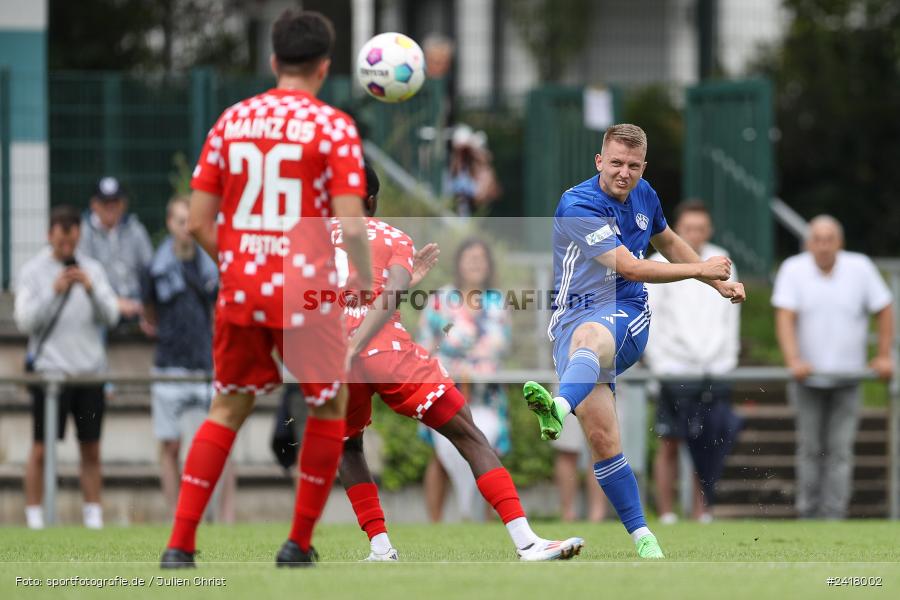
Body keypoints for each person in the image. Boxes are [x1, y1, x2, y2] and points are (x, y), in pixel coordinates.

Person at [160, 9, 372, 568]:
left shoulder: (231, 121)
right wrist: (365, 279)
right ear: (324, 67)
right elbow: (352, 227)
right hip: (307, 293)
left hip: (241, 289)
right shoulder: (333, 127)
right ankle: (297, 544)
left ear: (274, 60)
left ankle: (180, 546)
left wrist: (239, 264)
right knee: (327, 407)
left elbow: (199, 222)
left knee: (227, 407)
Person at [334, 166, 583, 561]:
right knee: (469, 436)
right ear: (372, 200)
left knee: (348, 446)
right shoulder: (393, 237)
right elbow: (389, 293)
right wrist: (364, 336)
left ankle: (380, 548)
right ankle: (526, 542)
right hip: (385, 352)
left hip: (334, 357)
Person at [522, 123, 746, 559]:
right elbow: (629, 265)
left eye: (633, 165)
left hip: (627, 312)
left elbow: (668, 241)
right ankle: (645, 539)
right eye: (616, 163)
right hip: (571, 319)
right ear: (599, 161)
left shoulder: (645, 195)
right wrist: (702, 270)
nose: (624, 173)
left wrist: (715, 283)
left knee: (590, 336)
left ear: (644, 167)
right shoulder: (577, 204)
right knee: (603, 439)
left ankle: (559, 406)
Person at [772, 215, 894, 519]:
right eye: (818, 239)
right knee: (809, 449)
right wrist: (793, 359)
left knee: (840, 451)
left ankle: (834, 516)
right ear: (808, 243)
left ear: (840, 243)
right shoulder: (793, 268)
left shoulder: (860, 267)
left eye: (830, 240)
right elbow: (785, 317)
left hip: (849, 378)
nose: (824, 246)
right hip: (807, 379)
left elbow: (884, 308)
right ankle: (808, 514)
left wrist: (883, 355)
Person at [14, 205, 120, 529]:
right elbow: (24, 322)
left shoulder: (93, 270)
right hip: (51, 378)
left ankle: (93, 517)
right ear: (50, 235)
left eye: (72, 241)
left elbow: (111, 316)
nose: (67, 247)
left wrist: (90, 289)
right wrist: (54, 292)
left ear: (79, 236)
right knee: (41, 449)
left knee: (91, 448)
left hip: (89, 375)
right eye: (61, 240)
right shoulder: (33, 271)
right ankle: (35, 518)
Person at [645, 201, 742, 523]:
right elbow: (652, 319)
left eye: (701, 228)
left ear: (709, 230)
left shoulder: (722, 260)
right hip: (673, 370)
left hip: (714, 370)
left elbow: (731, 317)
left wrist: (725, 360)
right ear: (677, 229)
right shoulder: (657, 263)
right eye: (688, 228)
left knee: (708, 442)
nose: (695, 234)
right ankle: (667, 513)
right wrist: (659, 364)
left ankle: (703, 511)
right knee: (669, 442)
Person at [143, 196, 235, 522]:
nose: (187, 228)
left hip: (207, 365)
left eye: (191, 221)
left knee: (222, 444)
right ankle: (176, 516)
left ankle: (226, 518)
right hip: (169, 365)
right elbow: (149, 313)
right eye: (181, 221)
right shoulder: (155, 268)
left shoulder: (211, 264)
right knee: (170, 446)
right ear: (170, 223)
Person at [417, 238, 511, 522]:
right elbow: (425, 344)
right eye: (469, 258)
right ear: (458, 263)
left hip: (486, 396)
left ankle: (492, 522)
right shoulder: (439, 300)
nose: (474, 263)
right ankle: (436, 523)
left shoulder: (497, 302)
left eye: (480, 258)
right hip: (445, 391)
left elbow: (501, 344)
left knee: (489, 452)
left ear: (488, 265)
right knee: (441, 453)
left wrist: (465, 352)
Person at [78, 176, 153, 324]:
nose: (111, 207)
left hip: (136, 300)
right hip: (100, 301)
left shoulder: (136, 230)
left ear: (124, 204)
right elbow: (85, 274)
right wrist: (114, 302)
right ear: (94, 205)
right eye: (105, 203)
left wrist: (147, 303)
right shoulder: (84, 232)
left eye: (115, 202)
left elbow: (149, 269)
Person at [552, 416, 608, 522]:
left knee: (600, 451)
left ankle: (597, 517)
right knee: (567, 449)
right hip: (568, 406)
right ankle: (567, 515)